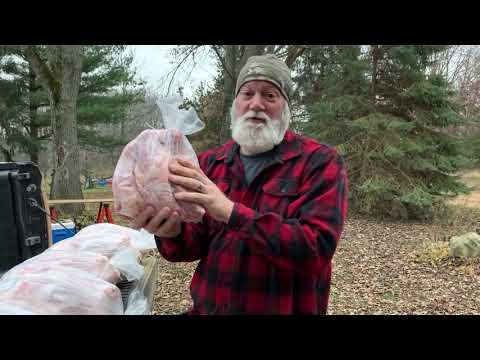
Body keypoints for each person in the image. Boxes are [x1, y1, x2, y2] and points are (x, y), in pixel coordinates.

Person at [133, 54, 348, 315]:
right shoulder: (210, 163)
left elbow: (315, 250)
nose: (256, 104)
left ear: (286, 107)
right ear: (235, 104)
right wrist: (171, 232)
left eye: (270, 95)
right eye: (247, 93)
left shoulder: (319, 162)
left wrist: (230, 212)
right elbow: (191, 246)